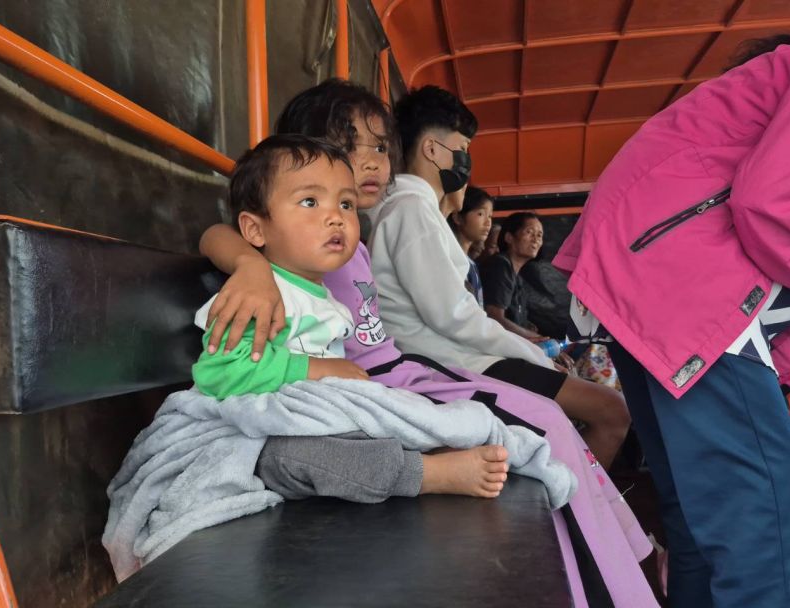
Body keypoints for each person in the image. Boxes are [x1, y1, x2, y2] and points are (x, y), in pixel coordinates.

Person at [198, 78, 658, 607]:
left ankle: (610, 562)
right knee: (538, 424)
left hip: (387, 377)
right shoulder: (298, 258)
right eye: (345, 148)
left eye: (379, 147)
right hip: (375, 385)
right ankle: (604, 568)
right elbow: (219, 238)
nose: (369, 162)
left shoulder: (342, 244)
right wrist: (248, 264)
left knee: (539, 425)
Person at [550, 2, 790, 606]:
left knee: (706, 525)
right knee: (766, 529)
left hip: (660, 289)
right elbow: (777, 203)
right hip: (691, 295)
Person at [193, 134, 511, 501]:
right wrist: (314, 369)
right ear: (255, 229)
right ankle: (427, 474)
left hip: (311, 422)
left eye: (346, 203)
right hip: (259, 440)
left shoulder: (325, 298)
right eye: (310, 201)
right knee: (301, 455)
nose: (336, 217)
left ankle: (429, 448)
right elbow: (219, 372)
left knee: (383, 426)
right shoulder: (259, 295)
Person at [365, 85, 630, 470]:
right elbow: (453, 316)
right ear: (432, 150)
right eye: (463, 147)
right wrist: (531, 354)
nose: (466, 160)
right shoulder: (411, 210)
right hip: (450, 362)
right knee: (611, 411)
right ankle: (576, 501)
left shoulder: (413, 210)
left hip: (458, 354)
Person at [481, 211, 548, 341]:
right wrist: (537, 338)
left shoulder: (516, 276)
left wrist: (527, 327)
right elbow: (494, 318)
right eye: (529, 232)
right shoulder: (500, 266)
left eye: (539, 235)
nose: (536, 239)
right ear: (509, 237)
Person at [449, 185, 494, 306]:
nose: (488, 222)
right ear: (458, 218)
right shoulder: (450, 260)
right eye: (480, 214)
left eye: (490, 216)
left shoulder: (471, 264)